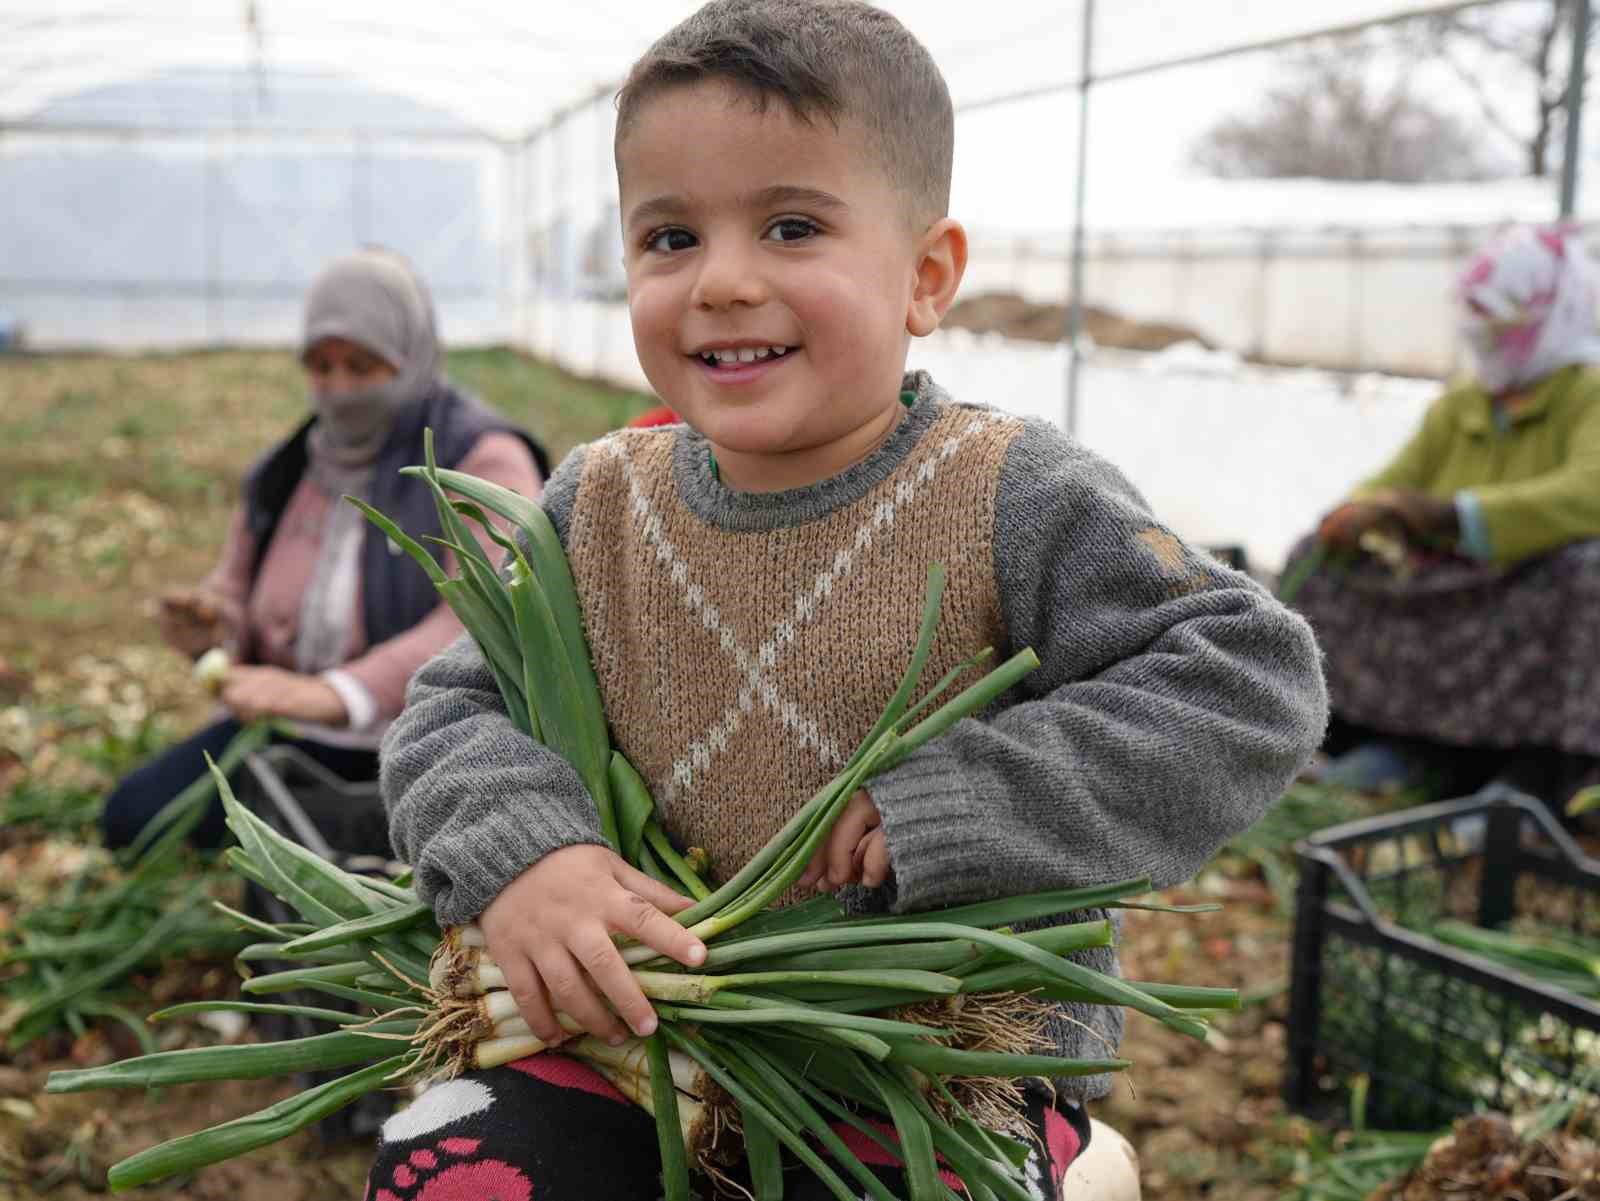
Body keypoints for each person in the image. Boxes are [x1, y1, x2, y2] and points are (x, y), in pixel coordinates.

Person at [371, 3, 1327, 1198]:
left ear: (926, 276)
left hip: (929, 1062)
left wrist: (968, 803)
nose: (722, 281)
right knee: (449, 1170)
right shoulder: (596, 502)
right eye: (670, 237)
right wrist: (527, 855)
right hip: (643, 1038)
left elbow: (1250, 677)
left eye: (790, 226)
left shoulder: (1006, 490)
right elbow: (449, 710)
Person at [100, 248, 548, 852]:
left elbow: (485, 618)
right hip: (288, 729)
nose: (339, 389)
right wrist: (213, 625)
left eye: (362, 366)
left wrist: (336, 694)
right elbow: (234, 584)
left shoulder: (478, 458)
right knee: (133, 819)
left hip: (427, 741)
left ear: (410, 354)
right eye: (321, 366)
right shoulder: (290, 468)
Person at [1294, 223, 1600, 805]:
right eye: (1477, 319)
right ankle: (1366, 738)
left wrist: (1455, 517)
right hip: (1452, 578)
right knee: (1318, 555)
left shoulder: (1589, 393)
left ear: (1556, 316)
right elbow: (1394, 480)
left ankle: (1538, 772)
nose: (1486, 336)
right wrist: (1359, 511)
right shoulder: (1465, 401)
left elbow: (1591, 490)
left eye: (1503, 323)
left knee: (1589, 574)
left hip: (1530, 580)